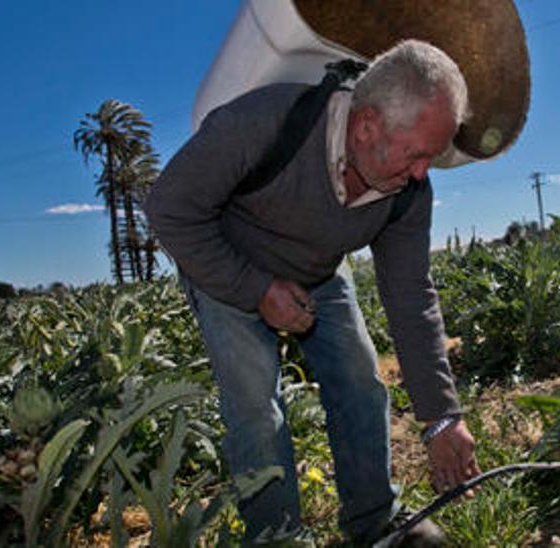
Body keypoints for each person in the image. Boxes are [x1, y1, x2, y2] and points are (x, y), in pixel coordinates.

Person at [142, 40, 478, 546]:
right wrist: (256, 290)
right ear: (366, 126)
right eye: (416, 154)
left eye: (430, 158)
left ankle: (375, 521)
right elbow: (168, 209)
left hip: (317, 271)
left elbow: (410, 295)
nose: (421, 173)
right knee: (256, 409)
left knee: (361, 381)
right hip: (228, 268)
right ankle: (277, 536)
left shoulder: (407, 192)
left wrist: (441, 416)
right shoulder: (261, 122)